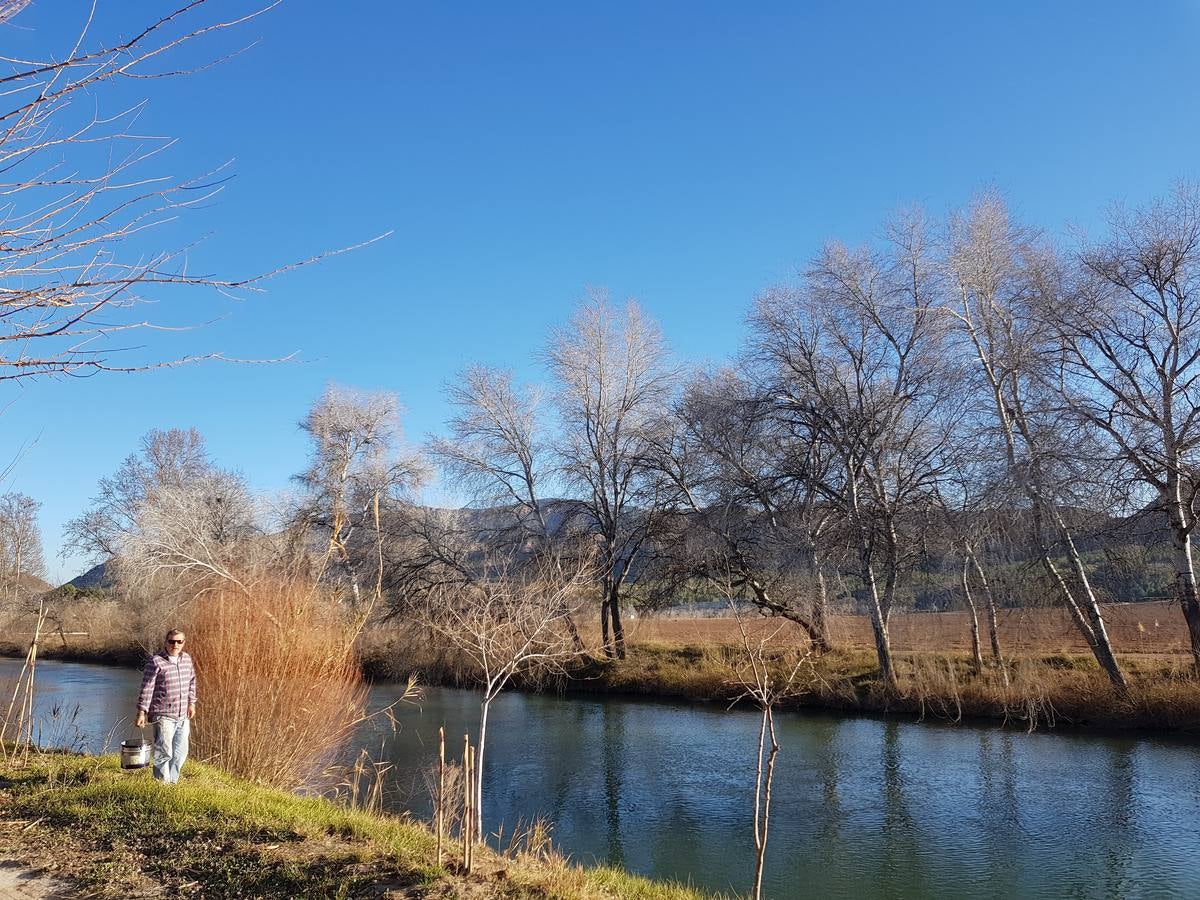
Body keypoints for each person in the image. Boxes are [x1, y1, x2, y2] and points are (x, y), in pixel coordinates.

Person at [134, 628, 196, 784]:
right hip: (162, 715)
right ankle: (161, 785)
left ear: (183, 643)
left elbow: (192, 682)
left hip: (183, 715)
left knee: (180, 753)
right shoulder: (155, 661)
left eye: (179, 641)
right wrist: (142, 712)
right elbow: (146, 688)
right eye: (171, 641)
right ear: (166, 642)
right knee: (164, 752)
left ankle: (172, 783)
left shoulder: (186, 659)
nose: (175, 645)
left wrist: (191, 703)